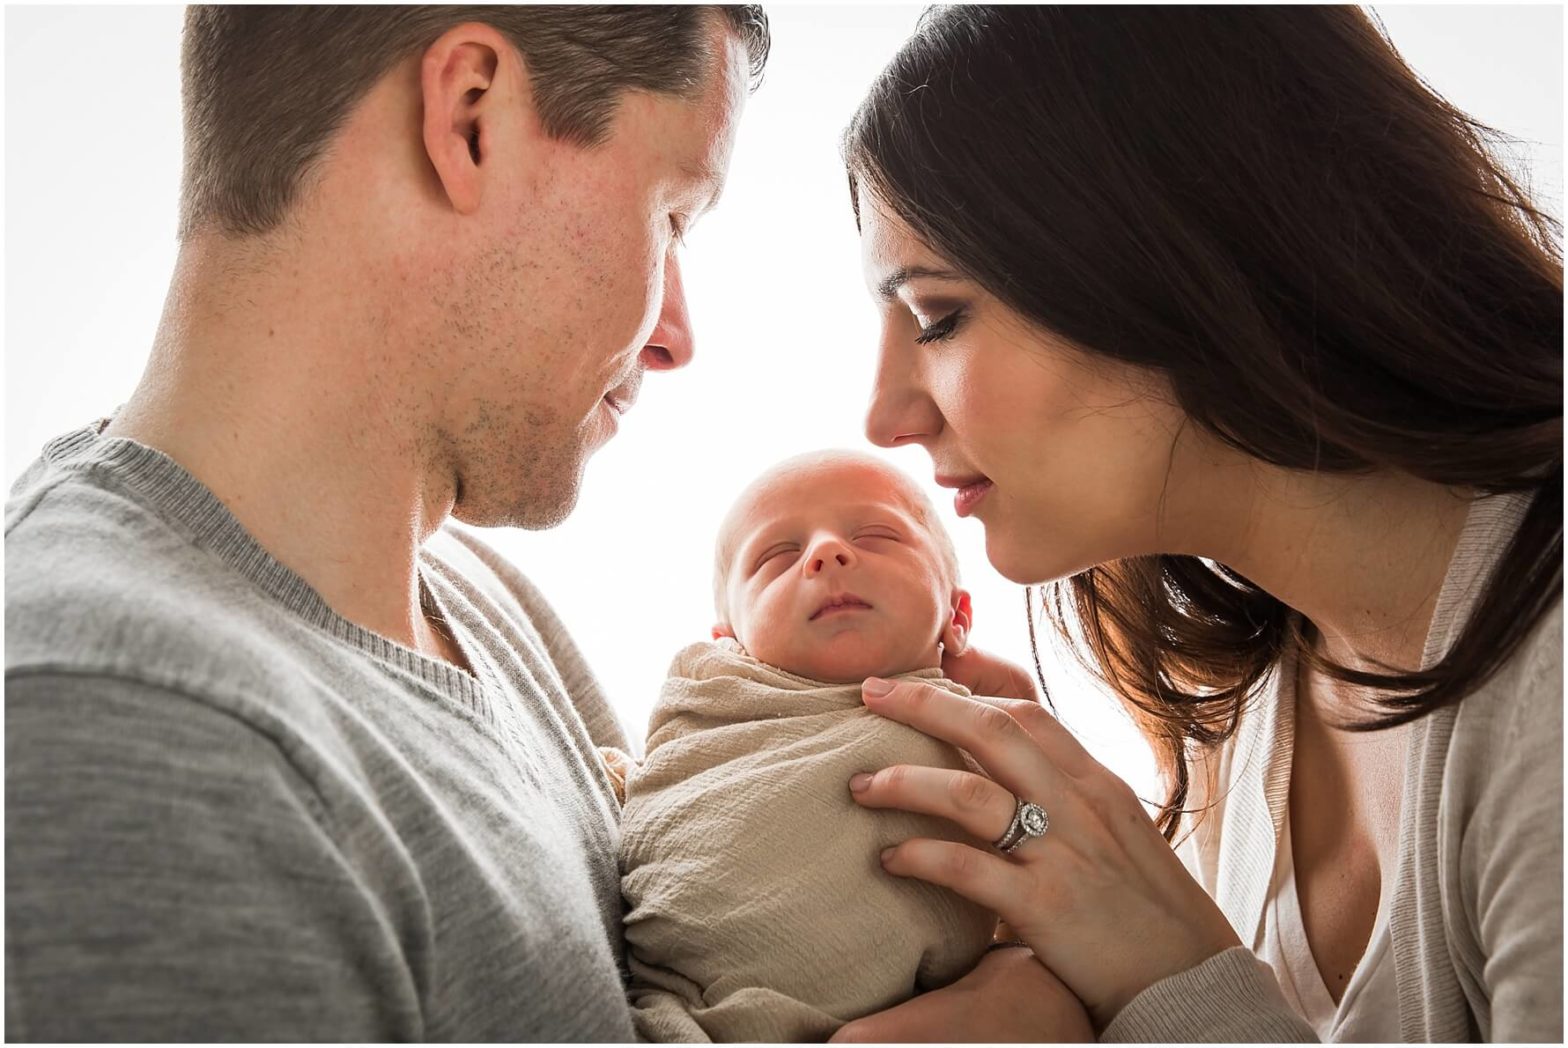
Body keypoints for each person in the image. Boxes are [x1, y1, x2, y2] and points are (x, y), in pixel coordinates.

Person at [5, 6, 769, 1040]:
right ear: (469, 118)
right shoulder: (126, 735)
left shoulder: (486, 607)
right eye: (671, 216)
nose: (676, 335)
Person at [828, 6, 1562, 1043]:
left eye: (938, 316)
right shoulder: (1245, 694)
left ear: (1167, 252)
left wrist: (1168, 981)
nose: (883, 414)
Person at [614, 450, 994, 1041]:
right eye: (776, 556)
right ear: (730, 638)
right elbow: (660, 792)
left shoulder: (993, 740)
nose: (825, 553)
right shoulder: (710, 706)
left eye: (877, 534)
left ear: (957, 615)